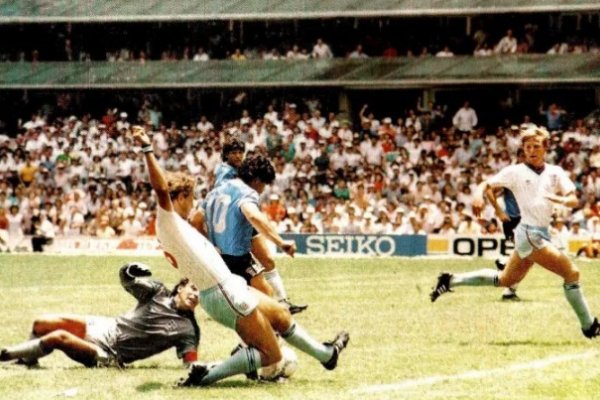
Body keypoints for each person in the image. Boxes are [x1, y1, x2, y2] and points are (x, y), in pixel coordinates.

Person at [131, 126, 348, 386]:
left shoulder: (181, 225)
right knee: (270, 354)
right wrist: (147, 149)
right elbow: (161, 188)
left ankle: (327, 355)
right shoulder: (169, 221)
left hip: (227, 285)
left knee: (280, 313)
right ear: (178, 198)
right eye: (190, 198)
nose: (193, 204)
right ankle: (206, 375)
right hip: (222, 293)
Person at [430, 126, 600, 339]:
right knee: (572, 274)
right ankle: (590, 326)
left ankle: (450, 280)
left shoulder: (556, 172)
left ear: (545, 148)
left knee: (506, 280)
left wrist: (562, 200)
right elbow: (486, 183)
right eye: (527, 147)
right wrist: (477, 194)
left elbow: (574, 199)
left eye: (536, 146)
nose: (531, 150)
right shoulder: (516, 171)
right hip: (529, 234)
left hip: (539, 232)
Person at [0, 262, 200, 367]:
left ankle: (5, 355)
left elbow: (190, 363)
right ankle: (28, 359)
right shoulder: (157, 292)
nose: (195, 295)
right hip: (106, 326)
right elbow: (127, 280)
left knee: (57, 338)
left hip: (111, 353)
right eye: (192, 287)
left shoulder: (189, 330)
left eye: (200, 293)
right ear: (181, 287)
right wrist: (129, 269)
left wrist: (199, 368)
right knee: (41, 323)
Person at [191, 137, 307, 314]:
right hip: (237, 227)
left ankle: (281, 304)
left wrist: (208, 241)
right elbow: (251, 213)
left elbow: (196, 218)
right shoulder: (234, 181)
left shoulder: (224, 184)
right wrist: (281, 242)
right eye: (233, 152)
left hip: (225, 239)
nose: (238, 156)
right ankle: (273, 316)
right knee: (259, 285)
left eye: (240, 152)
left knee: (265, 263)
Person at [487, 187, 521, 301]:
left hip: (525, 220)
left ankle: (504, 262)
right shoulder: (510, 178)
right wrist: (499, 210)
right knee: (524, 255)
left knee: (524, 254)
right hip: (513, 220)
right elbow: (490, 191)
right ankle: (509, 290)